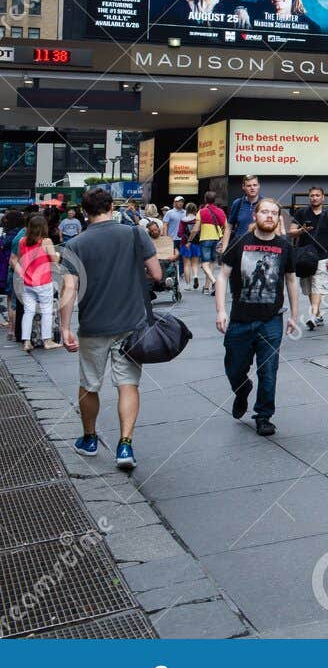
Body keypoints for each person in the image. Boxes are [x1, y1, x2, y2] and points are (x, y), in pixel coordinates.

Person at [58, 187, 162, 471]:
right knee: (127, 383)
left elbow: (69, 289)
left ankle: (89, 439)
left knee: (90, 383)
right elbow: (156, 274)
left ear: (84, 212)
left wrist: (65, 327)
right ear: (111, 207)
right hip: (131, 324)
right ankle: (125, 444)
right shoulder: (134, 234)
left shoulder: (75, 245)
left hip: (93, 325)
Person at [214, 197, 301, 436]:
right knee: (234, 367)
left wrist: (294, 314)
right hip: (240, 319)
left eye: (274, 212)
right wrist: (221, 310)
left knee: (268, 370)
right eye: (265, 212)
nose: (270, 216)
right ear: (255, 215)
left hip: (271, 320)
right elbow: (222, 276)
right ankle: (242, 389)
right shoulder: (240, 242)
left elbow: (291, 281)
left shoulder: (285, 247)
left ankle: (263, 415)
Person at [289, 186, 328, 331]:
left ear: (323, 197)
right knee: (308, 288)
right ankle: (317, 314)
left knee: (317, 284)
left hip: (322, 256)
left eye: (317, 195)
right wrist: (300, 231)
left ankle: (312, 315)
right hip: (304, 256)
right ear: (309, 197)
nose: (314, 198)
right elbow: (290, 232)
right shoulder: (301, 213)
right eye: (312, 195)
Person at [11, 214, 60, 352]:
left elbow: (19, 259)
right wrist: (57, 255)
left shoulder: (22, 241)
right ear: (43, 227)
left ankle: (26, 342)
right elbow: (54, 260)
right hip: (44, 282)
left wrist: (22, 273)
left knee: (28, 312)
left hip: (27, 282)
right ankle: (47, 341)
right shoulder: (46, 241)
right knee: (46, 311)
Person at [195, 191, 227, 295]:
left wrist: (190, 239)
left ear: (205, 199)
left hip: (205, 239)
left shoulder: (201, 211)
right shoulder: (220, 211)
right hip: (217, 239)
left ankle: (214, 281)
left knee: (205, 263)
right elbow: (226, 226)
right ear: (215, 200)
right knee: (212, 263)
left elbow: (196, 228)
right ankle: (206, 288)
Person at [221, 175, 261, 252]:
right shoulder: (237, 203)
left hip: (259, 249)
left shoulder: (265, 203)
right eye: (249, 186)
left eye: (254, 185)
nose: (252, 188)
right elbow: (229, 227)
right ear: (243, 187)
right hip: (239, 248)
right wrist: (224, 249)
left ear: (259, 186)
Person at [178, 201, 200, 289]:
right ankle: (195, 276)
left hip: (185, 243)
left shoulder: (183, 220)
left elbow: (179, 233)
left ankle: (188, 285)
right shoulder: (197, 220)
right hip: (196, 243)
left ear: (186, 210)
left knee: (186, 264)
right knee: (195, 263)